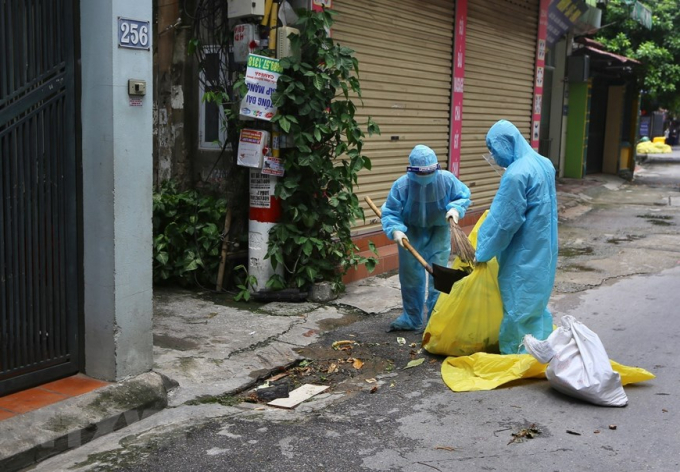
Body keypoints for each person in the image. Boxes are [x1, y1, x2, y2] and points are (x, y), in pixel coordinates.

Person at [475, 120, 558, 354]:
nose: (494, 156)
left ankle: (518, 354)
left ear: (506, 144)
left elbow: (503, 221)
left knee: (518, 303)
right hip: (545, 247)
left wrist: (481, 251)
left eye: (494, 149)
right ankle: (540, 347)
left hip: (523, 252)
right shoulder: (544, 163)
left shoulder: (516, 174)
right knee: (537, 302)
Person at [381, 144, 471, 332]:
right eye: (420, 175)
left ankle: (435, 321)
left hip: (438, 231)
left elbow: (462, 196)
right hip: (411, 233)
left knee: (438, 276)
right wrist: (396, 230)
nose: (425, 180)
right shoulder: (402, 186)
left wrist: (455, 209)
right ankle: (411, 318)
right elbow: (390, 211)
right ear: (412, 171)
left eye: (428, 175)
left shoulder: (446, 180)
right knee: (410, 278)